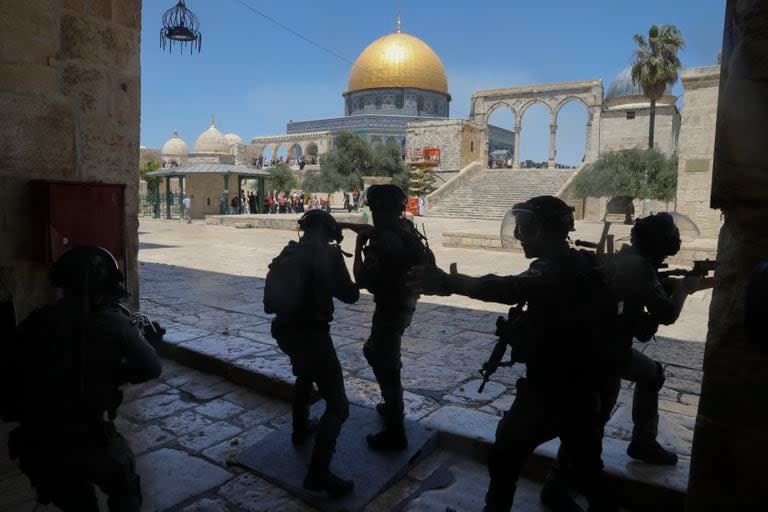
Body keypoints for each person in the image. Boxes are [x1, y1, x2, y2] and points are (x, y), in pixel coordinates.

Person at [408, 196, 618, 512]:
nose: (519, 235)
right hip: (583, 389)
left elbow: (509, 287)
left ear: (545, 230)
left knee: (506, 454)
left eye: (525, 228)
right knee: (588, 467)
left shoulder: (555, 270)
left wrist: (450, 282)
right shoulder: (578, 262)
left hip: (551, 389)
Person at [0, 246, 163, 512]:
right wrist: (149, 346)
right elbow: (151, 368)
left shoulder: (36, 321)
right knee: (124, 486)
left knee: (77, 501)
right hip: (85, 436)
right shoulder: (114, 323)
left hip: (36, 443)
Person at [265, 210, 360, 498]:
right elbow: (351, 295)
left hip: (284, 330)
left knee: (305, 374)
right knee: (339, 406)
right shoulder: (328, 256)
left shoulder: (288, 252)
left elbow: (270, 304)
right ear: (329, 232)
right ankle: (319, 472)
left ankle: (300, 427)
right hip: (313, 334)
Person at [353, 184, 434, 451]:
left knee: (386, 364)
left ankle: (395, 430)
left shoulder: (383, 239)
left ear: (377, 208)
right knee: (374, 352)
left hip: (390, 306)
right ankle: (391, 406)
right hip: (406, 303)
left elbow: (363, 280)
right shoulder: (406, 228)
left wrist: (358, 245)